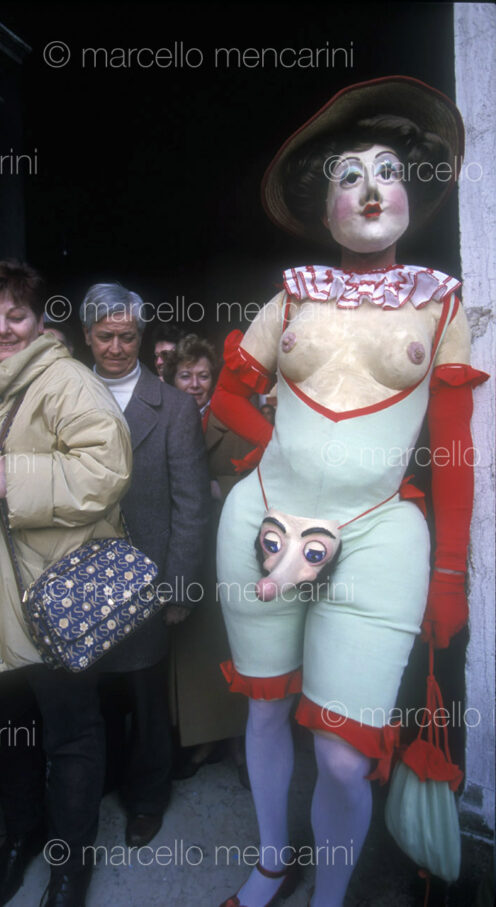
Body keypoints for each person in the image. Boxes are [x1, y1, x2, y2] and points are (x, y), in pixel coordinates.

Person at [210, 77, 488, 907]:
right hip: (260, 520)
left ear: (414, 192)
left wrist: (447, 574)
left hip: (377, 537)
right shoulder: (292, 292)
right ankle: (271, 861)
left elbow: (453, 447)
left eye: (388, 172)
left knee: (339, 751)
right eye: (348, 176)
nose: (370, 189)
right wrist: (273, 446)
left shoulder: (441, 305)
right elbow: (228, 394)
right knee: (264, 713)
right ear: (321, 203)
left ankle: (330, 899)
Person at [0, 261, 132, 907]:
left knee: (71, 733)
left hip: (53, 598)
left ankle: (69, 864)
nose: (2, 328)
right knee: (11, 731)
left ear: (40, 320)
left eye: (16, 314)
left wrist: (17, 479)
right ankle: (21, 838)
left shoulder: (64, 379)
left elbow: (108, 466)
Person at [80, 283, 209, 848]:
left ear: (140, 335)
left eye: (126, 335)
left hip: (147, 578)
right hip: (81, 576)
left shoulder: (174, 406)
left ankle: (148, 796)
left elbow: (191, 504)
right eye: (104, 336)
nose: (115, 346)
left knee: (147, 695)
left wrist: (179, 588)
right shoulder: (66, 397)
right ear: (87, 336)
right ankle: (106, 776)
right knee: (94, 688)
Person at [164, 334, 251, 782]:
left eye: (203, 375)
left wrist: (220, 487)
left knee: (230, 647)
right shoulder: (162, 422)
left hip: (228, 552)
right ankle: (202, 739)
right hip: (183, 551)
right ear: (170, 378)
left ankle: (238, 741)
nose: (195, 384)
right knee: (194, 650)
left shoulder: (234, 423)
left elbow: (265, 483)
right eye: (185, 375)